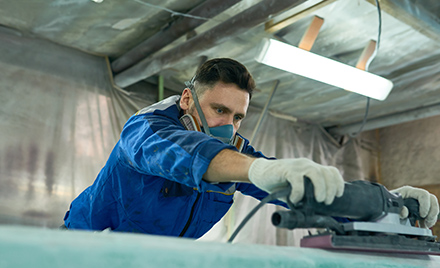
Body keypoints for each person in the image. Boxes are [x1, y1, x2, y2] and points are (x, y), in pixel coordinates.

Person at [63, 58, 439, 238]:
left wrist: (385, 204)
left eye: (238, 116)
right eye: (219, 110)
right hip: (86, 247)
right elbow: (183, 153)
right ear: (187, 100)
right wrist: (255, 169)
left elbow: (296, 192)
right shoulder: (146, 130)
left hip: (155, 261)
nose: (228, 125)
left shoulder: (235, 153)